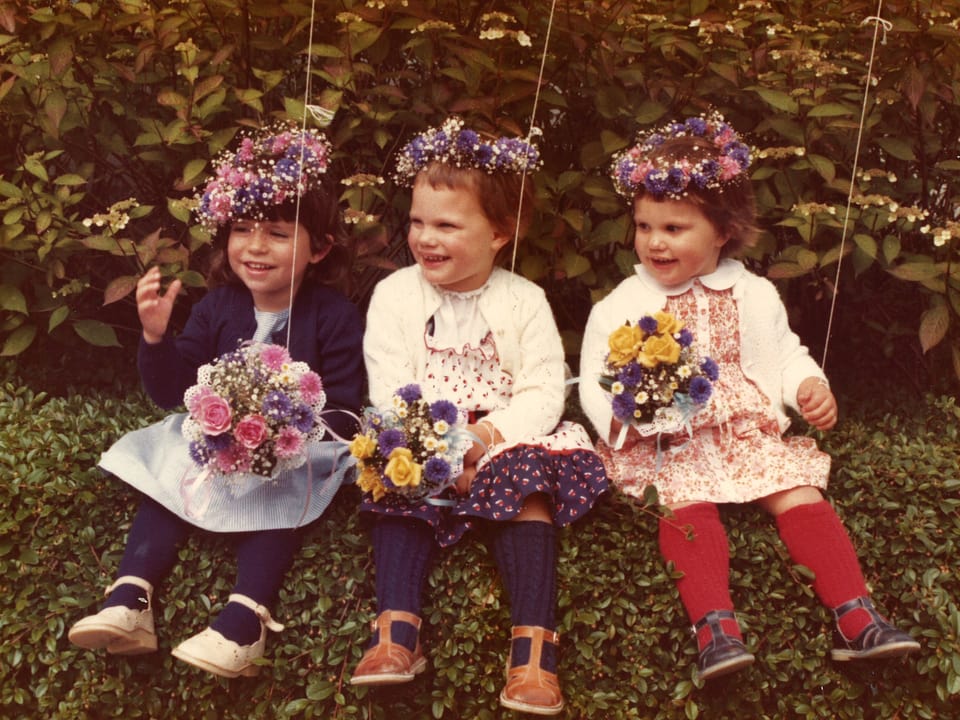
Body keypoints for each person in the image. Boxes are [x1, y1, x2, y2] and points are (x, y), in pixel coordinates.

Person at [579, 113, 920, 682]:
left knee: (799, 490)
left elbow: (783, 354)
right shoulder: (621, 301)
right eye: (644, 226)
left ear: (722, 231)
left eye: (674, 228)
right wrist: (627, 423)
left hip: (742, 430)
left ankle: (856, 617)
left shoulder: (753, 292)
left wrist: (809, 386)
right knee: (684, 502)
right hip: (668, 435)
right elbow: (594, 377)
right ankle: (716, 630)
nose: (655, 242)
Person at [68, 124, 365, 678]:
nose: (255, 246)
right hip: (219, 440)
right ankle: (131, 598)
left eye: (278, 233)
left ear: (319, 248)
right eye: (243, 229)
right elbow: (172, 391)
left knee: (284, 488)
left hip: (296, 445)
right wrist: (156, 338)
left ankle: (243, 621)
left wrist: (285, 435)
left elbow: (347, 403)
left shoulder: (334, 316)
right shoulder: (218, 307)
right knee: (172, 464)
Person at [350, 118, 608, 715]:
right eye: (417, 221)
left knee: (528, 486)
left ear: (499, 233)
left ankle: (533, 654)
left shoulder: (523, 299)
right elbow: (390, 386)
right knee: (395, 482)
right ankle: (395, 635)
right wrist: (436, 452)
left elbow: (544, 390)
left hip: (502, 431)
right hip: (420, 431)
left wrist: (486, 440)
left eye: (446, 224)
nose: (425, 238)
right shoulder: (394, 296)